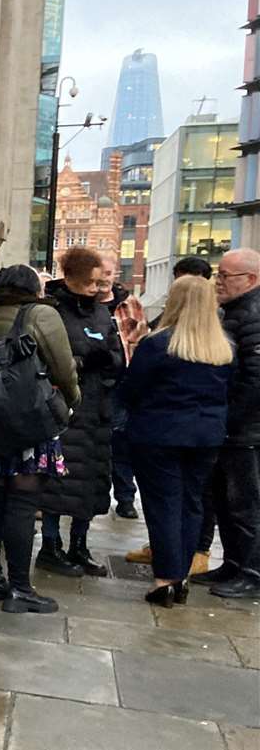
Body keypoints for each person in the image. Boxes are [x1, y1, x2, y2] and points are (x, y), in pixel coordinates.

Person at [0, 264, 79, 613]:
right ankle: (19, 588)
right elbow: (63, 367)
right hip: (30, 422)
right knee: (23, 503)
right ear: (34, 289)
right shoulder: (42, 315)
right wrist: (72, 401)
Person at [123, 275, 233, 607]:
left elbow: (131, 390)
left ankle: (166, 579)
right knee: (192, 502)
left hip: (159, 433)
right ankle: (181, 575)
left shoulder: (159, 344)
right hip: (207, 436)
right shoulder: (224, 348)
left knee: (164, 504)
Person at [34, 247, 125, 577]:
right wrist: (83, 362)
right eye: (89, 282)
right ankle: (50, 546)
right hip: (64, 410)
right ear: (70, 277)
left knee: (90, 484)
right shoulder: (52, 310)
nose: (95, 288)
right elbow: (46, 357)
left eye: (99, 283)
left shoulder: (101, 313)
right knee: (57, 483)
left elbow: (116, 352)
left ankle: (79, 546)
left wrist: (110, 362)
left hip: (97, 411)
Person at [192, 247, 260, 598]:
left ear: (250, 279)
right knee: (226, 503)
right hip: (232, 428)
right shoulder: (233, 312)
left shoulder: (252, 315)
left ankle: (252, 571)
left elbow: (254, 379)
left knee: (245, 504)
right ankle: (234, 563)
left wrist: (228, 419)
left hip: (244, 432)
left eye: (225, 276)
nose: (218, 282)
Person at [98, 252, 140, 518]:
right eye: (99, 272)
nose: (104, 279)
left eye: (109, 273)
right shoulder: (81, 303)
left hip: (121, 385)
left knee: (121, 444)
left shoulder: (129, 304)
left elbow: (139, 341)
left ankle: (125, 497)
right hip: (90, 384)